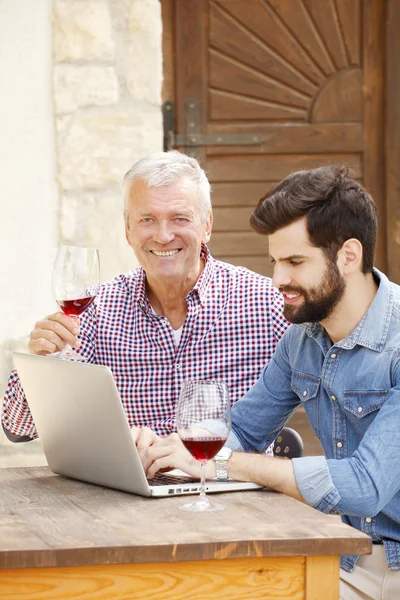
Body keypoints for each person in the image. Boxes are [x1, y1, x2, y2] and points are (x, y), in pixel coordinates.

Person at [136, 166, 400, 600]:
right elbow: (244, 432)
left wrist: (219, 464)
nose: (277, 279)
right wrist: (170, 448)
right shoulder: (303, 338)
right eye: (275, 261)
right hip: (345, 561)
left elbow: (365, 486)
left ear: (348, 256)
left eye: (295, 262)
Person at [2, 150, 289, 444]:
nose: (163, 236)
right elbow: (19, 429)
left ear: (207, 226)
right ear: (128, 231)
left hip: (230, 487)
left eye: (179, 218)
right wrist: (42, 362)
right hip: (131, 488)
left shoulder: (266, 302)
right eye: (147, 220)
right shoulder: (99, 309)